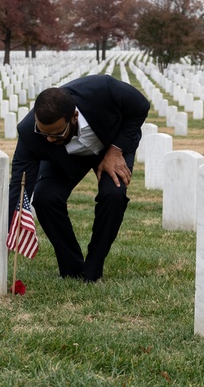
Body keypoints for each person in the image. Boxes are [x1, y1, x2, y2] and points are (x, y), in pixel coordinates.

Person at [9, 74, 150, 283]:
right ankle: (72, 269)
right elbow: (19, 186)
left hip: (111, 145)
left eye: (55, 134)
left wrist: (116, 150)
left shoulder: (103, 89)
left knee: (113, 195)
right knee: (45, 198)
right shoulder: (30, 132)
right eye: (43, 132)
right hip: (66, 157)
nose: (47, 139)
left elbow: (141, 107)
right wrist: (10, 226)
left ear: (74, 117)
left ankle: (93, 270)